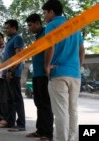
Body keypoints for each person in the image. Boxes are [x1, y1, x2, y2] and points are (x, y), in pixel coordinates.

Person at [42, 0, 85, 141]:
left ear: (51, 12)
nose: (44, 16)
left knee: (61, 111)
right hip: (75, 74)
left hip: (58, 73)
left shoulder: (52, 25)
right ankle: (72, 139)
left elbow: (50, 46)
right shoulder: (74, 26)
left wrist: (47, 65)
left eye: (45, 13)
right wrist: (78, 67)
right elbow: (81, 49)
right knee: (72, 110)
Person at [26, 13, 53, 141]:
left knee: (45, 104)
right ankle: (40, 130)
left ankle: (48, 134)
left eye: (30, 25)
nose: (29, 28)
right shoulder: (37, 37)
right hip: (36, 75)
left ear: (37, 23)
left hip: (44, 74)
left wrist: (47, 67)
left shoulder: (46, 33)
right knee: (38, 103)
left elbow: (50, 49)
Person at [1, 19, 26, 132]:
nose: (5, 30)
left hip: (14, 73)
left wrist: (11, 71)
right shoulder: (10, 40)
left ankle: (21, 124)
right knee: (9, 99)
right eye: (5, 28)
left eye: (8, 28)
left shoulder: (18, 38)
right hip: (8, 73)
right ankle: (10, 122)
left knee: (17, 99)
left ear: (14, 28)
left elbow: (18, 57)